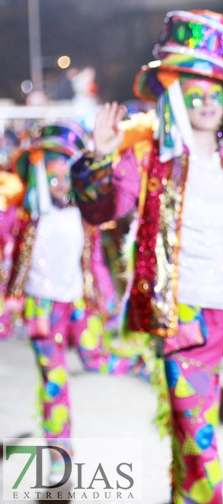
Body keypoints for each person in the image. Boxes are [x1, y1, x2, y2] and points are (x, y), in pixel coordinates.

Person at [71, 10, 223, 503]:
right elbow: (105, 207)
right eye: (195, 90)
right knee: (195, 440)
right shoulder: (146, 156)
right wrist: (100, 157)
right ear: (176, 96)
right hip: (183, 318)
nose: (207, 101)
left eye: (216, 91)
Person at [2, 122, 147, 477]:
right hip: (41, 309)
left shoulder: (85, 217)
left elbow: (95, 263)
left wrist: (111, 303)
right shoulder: (23, 217)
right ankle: (59, 456)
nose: (62, 185)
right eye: (54, 178)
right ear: (39, 175)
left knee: (95, 359)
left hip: (80, 305)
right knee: (54, 382)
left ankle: (140, 364)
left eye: (68, 177)